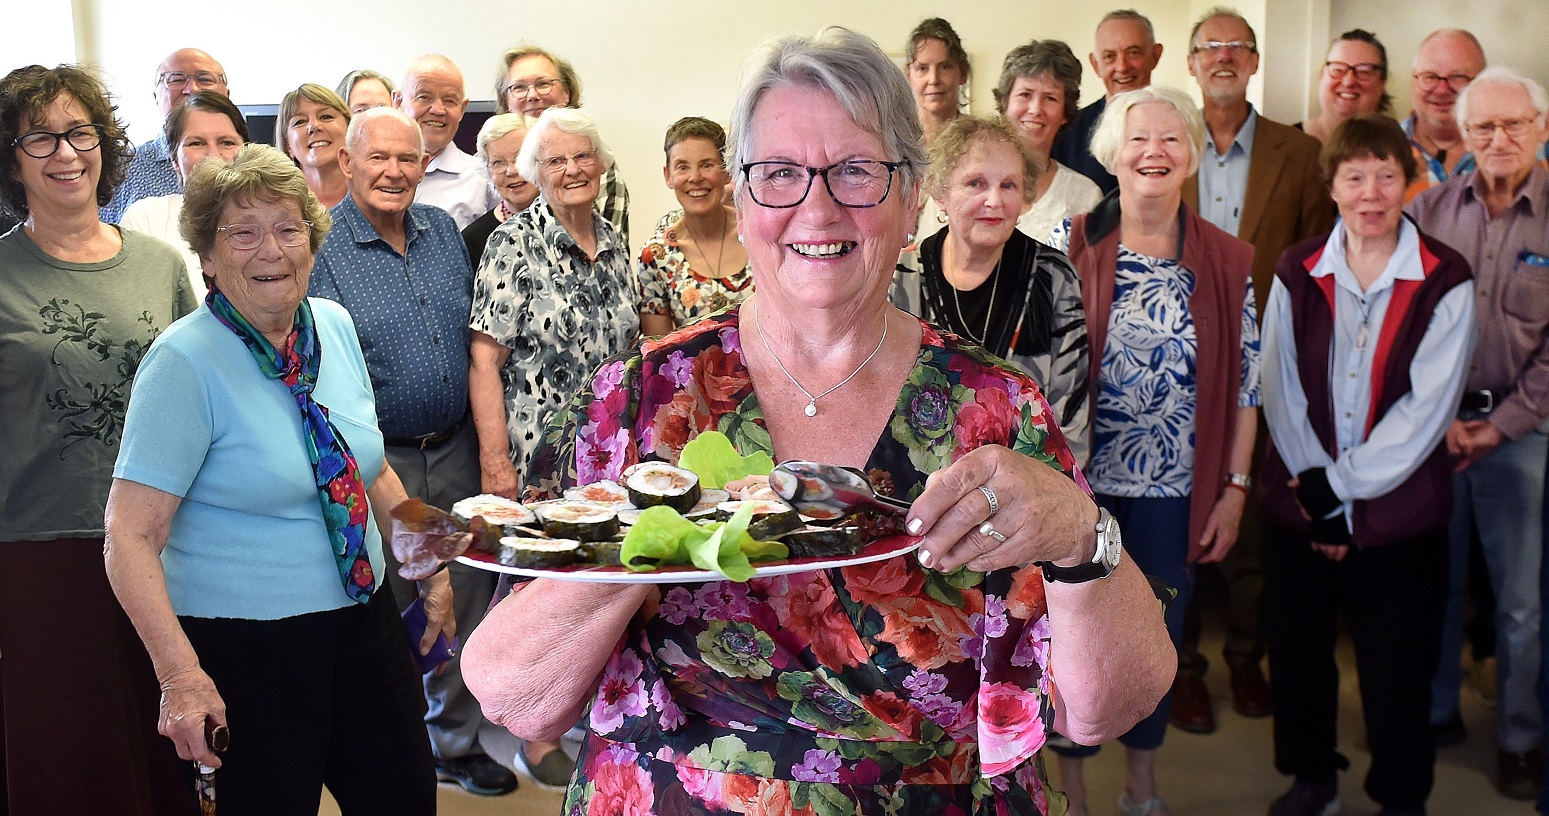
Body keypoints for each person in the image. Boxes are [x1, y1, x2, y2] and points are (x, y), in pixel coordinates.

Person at [461, 27, 1174, 816]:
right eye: (779, 173)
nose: (816, 206)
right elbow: (516, 700)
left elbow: (1101, 711)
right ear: (739, 195)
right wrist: (639, 538)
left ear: (910, 201)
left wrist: (1081, 534)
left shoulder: (996, 409)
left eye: (857, 171)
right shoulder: (638, 400)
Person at [105, 143, 450, 815]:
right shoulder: (183, 362)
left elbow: (367, 465)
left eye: (289, 228)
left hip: (365, 620)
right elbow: (127, 535)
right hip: (247, 647)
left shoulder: (334, 326)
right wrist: (179, 675)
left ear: (312, 243)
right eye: (244, 232)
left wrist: (432, 562)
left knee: (405, 797)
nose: (272, 250)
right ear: (206, 254)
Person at [1047, 85, 1260, 816]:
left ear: (1194, 154)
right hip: (1080, 493)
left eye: (1172, 139)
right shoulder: (1068, 242)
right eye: (1138, 138)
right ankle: (1071, 789)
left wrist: (1233, 487)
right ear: (1111, 151)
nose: (1154, 153)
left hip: (1175, 492)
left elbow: (1245, 387)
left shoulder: (1228, 261)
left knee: (1158, 639)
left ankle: (1141, 782)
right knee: (1072, 637)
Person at [1261, 113, 1475, 816]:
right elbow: (1279, 385)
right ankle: (1311, 778)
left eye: (1386, 175)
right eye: (1354, 176)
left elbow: (1427, 410)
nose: (1371, 192)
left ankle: (1400, 794)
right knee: (1297, 658)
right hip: (1301, 503)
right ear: (1331, 185)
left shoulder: (1446, 277)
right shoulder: (1297, 268)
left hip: (1398, 516)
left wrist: (1340, 491)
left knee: (1397, 667)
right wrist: (1320, 498)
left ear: (1408, 182)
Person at [0, 62, 196, 816]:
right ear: (12, 158)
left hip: (160, 548)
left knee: (165, 750)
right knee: (70, 758)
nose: (65, 153)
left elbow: (195, 402)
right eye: (39, 137)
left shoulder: (159, 265)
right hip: (43, 560)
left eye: (79, 132)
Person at [309, 108, 518, 798]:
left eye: (408, 159)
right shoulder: (323, 248)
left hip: (453, 449)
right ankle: (396, 744)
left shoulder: (442, 236)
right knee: (389, 603)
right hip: (377, 464)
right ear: (347, 162)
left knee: (458, 594)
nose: (395, 171)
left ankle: (454, 743)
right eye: (379, 159)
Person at [465, 107, 639, 791]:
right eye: (556, 161)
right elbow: (484, 361)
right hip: (538, 462)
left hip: (610, 462)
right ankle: (531, 734)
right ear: (534, 173)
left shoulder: (617, 241)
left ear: (599, 165)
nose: (571, 171)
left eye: (581, 158)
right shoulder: (513, 245)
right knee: (539, 597)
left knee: (601, 593)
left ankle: (591, 718)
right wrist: (494, 463)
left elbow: (635, 351)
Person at [1172, 5, 1335, 735]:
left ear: (1255, 61)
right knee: (1181, 510)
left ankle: (1243, 652)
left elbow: (1312, 268)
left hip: (1266, 359)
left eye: (1237, 47)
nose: (1224, 57)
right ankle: (1181, 668)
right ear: (1191, 62)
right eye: (1210, 47)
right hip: (1176, 361)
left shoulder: (1296, 155)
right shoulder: (1165, 142)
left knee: (1250, 508)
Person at [1409, 66, 1549, 802]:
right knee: (1435, 581)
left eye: (1513, 125)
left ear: (1541, 129)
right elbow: (1402, 327)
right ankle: (1433, 715)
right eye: (1483, 127)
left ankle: (1520, 737)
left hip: (1522, 436)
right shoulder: (1428, 211)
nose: (1498, 139)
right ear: (1462, 137)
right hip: (1431, 431)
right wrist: (1437, 420)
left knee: (1520, 601)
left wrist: (1497, 426)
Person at [889, 115, 1090, 464]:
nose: (994, 200)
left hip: (1025, 491)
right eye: (976, 183)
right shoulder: (901, 275)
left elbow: (1070, 413)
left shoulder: (1054, 277)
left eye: (1009, 185)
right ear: (940, 193)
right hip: (914, 490)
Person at [495, 45, 630, 244]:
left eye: (543, 84)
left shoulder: (594, 166)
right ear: (507, 101)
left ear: (566, 93)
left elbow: (610, 250)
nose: (532, 95)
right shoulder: (487, 167)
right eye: (519, 88)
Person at [121, 91, 250, 297]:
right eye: (196, 143)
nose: (213, 155)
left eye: (227, 142)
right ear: (174, 159)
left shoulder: (273, 221)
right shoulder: (146, 219)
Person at [638, 117, 749, 336]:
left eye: (707, 165)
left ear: (727, 171)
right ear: (668, 176)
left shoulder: (757, 234)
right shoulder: (656, 257)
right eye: (682, 167)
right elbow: (656, 353)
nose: (695, 177)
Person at [102, 48, 229, 223]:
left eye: (205, 79)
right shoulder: (122, 169)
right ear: (156, 96)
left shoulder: (252, 163)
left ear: (227, 95)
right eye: (176, 80)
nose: (191, 89)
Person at [994, 39, 1104, 242]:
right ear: (1004, 103)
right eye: (1025, 95)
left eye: (1050, 98)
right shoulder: (969, 179)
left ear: (1065, 113)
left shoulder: (1085, 196)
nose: (1035, 109)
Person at [1051, 9, 1163, 195]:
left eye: (1133, 53)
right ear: (1096, 65)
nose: (1122, 66)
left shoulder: (1178, 125)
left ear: (1155, 56)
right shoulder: (1067, 133)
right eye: (1110, 56)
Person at [396, 55, 498, 231]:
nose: (437, 110)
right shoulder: (372, 173)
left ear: (462, 109)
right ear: (398, 101)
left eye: (449, 100)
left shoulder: (484, 177)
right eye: (424, 97)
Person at [1402, 29, 1488, 201]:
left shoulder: (1524, 150)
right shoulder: (1376, 147)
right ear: (1413, 81)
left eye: (1458, 77)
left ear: (1482, 84)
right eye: (1430, 77)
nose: (1441, 90)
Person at [462, 112, 538, 266]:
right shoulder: (472, 240)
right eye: (498, 162)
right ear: (487, 170)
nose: (511, 171)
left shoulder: (572, 221)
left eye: (520, 158)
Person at [1298, 30, 1392, 142]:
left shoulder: (1400, 147)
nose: (1348, 82)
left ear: (1383, 82)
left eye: (1364, 71)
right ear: (1322, 75)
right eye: (1338, 69)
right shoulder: (1284, 144)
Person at [276, 84, 350, 210]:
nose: (314, 126)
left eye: (326, 117)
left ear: (350, 129)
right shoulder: (274, 204)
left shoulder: (373, 194)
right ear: (288, 145)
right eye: (300, 122)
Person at [905, 17, 970, 143]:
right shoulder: (895, 142)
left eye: (945, 67)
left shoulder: (980, 141)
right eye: (922, 68)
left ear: (963, 73)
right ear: (908, 76)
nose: (933, 79)